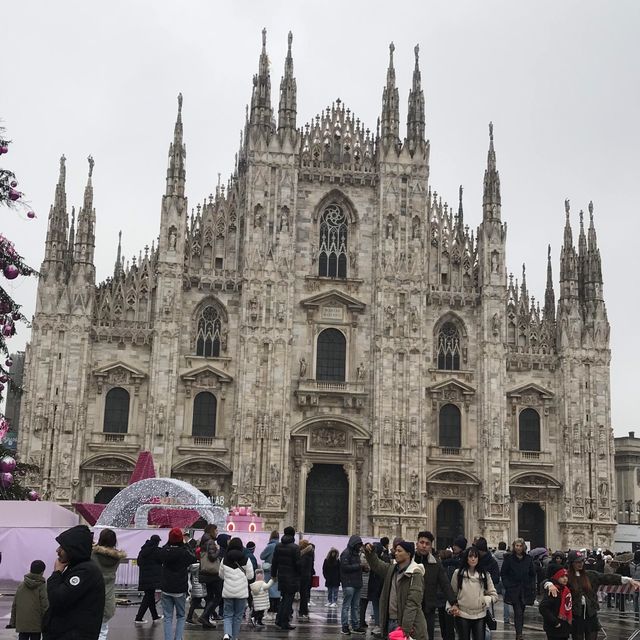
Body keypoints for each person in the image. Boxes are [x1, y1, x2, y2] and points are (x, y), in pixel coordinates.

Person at [544, 550, 640, 640]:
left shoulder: (590, 575)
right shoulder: (566, 576)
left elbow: (607, 577)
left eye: (582, 561)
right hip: (576, 616)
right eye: (577, 562)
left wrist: (628, 580)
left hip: (591, 615)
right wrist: (549, 584)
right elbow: (550, 580)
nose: (580, 564)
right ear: (571, 563)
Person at [45, 524, 106, 640]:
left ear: (73, 549)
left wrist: (56, 573)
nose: (57, 551)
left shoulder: (84, 571)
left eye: (62, 548)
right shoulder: (77, 568)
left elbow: (57, 598)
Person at [364, 540, 428, 640]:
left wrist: (405, 629)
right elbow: (376, 565)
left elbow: (413, 603)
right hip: (390, 621)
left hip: (407, 624)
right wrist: (370, 552)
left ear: (408, 554)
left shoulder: (415, 574)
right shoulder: (391, 569)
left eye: (399, 551)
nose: (396, 553)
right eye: (396, 550)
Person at [414, 531, 459, 640]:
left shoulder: (435, 563)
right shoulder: (410, 561)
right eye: (422, 542)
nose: (424, 546)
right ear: (417, 544)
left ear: (430, 546)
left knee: (428, 636)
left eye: (427, 543)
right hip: (411, 608)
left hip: (428, 607)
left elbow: (445, 584)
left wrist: (453, 602)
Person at [449, 547, 498, 640]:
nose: (473, 559)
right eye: (470, 556)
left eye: (475, 557)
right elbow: (452, 594)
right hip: (462, 614)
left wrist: (486, 599)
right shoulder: (458, 574)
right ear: (466, 558)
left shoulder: (485, 575)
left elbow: (494, 595)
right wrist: (452, 607)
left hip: (480, 614)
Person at [160, 527, 196, 640]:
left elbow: (164, 549)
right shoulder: (184, 553)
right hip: (180, 589)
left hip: (166, 587)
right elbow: (193, 557)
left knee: (167, 617)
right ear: (181, 539)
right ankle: (178, 638)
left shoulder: (164, 551)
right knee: (180, 616)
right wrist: (185, 544)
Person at [91, 528, 127, 640]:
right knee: (103, 630)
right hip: (108, 598)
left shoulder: (92, 555)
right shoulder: (117, 558)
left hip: (92, 596)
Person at [500, 538, 535, 640]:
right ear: (514, 546)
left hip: (525, 589)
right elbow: (503, 573)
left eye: (520, 546)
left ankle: (519, 632)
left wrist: (532, 586)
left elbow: (532, 574)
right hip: (513, 588)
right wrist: (507, 585)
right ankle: (519, 634)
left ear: (523, 547)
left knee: (521, 611)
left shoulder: (528, 559)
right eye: (517, 546)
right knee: (518, 611)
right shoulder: (509, 559)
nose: (518, 548)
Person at [219, 537, 254, 640]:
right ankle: (234, 637)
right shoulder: (246, 559)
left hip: (228, 591)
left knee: (228, 614)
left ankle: (227, 634)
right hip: (241, 593)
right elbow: (250, 576)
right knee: (238, 616)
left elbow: (221, 575)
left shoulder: (224, 559)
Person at [9, 559, 48, 640]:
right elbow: (45, 605)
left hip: (22, 624)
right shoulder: (42, 586)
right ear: (42, 572)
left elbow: (15, 605)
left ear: (30, 569)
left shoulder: (21, 585)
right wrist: (47, 622)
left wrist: (12, 622)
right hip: (36, 624)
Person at [271, 525, 300, 631]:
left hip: (282, 577)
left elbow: (274, 562)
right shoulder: (295, 547)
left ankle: (279, 620)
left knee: (283, 599)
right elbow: (298, 564)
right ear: (293, 535)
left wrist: (273, 575)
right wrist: (299, 574)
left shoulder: (278, 546)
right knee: (288, 601)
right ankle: (284, 622)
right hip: (292, 578)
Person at [340, 535, 366, 635]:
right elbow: (344, 567)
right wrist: (359, 566)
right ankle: (345, 626)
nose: (359, 546)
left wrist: (363, 568)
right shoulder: (346, 553)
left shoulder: (356, 553)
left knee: (355, 606)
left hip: (356, 582)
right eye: (358, 544)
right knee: (346, 606)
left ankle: (355, 626)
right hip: (349, 583)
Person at [135, 534, 163, 624]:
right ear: (157, 542)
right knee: (148, 597)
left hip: (144, 577)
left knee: (150, 596)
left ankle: (155, 616)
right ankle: (138, 617)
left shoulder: (143, 550)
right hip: (153, 578)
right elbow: (162, 560)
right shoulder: (156, 551)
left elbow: (139, 562)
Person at [197, 527, 222, 628]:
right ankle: (204, 616)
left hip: (206, 573)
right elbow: (212, 557)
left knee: (210, 597)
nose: (217, 532)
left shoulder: (203, 540)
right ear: (211, 531)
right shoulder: (210, 542)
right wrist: (218, 550)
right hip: (213, 574)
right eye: (216, 530)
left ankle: (206, 620)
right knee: (218, 596)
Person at [538, 568, 571, 640]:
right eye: (562, 577)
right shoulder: (554, 590)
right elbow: (543, 608)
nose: (565, 579)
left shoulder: (566, 590)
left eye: (566, 576)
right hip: (554, 627)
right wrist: (555, 622)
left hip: (564, 626)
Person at [260, 530, 281, 618]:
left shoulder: (270, 546)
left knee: (270, 590)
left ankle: (270, 612)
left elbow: (262, 556)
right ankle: (276, 611)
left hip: (269, 570)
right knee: (277, 591)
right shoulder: (280, 545)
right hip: (279, 570)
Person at [186, 550, 207, 625]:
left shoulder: (193, 565)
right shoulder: (203, 565)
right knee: (209, 601)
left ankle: (189, 617)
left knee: (195, 602)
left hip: (195, 585)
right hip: (202, 585)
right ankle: (207, 616)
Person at [493, 542, 510, 625]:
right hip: (505, 579)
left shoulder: (493, 556)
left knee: (492, 599)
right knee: (506, 600)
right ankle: (506, 619)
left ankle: (492, 617)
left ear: (498, 547)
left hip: (496, 578)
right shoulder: (508, 557)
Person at [298, 540, 315, 621]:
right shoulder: (309, 554)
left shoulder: (305, 555)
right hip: (306, 576)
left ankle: (303, 611)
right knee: (304, 595)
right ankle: (303, 611)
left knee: (303, 595)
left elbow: (301, 566)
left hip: (303, 577)